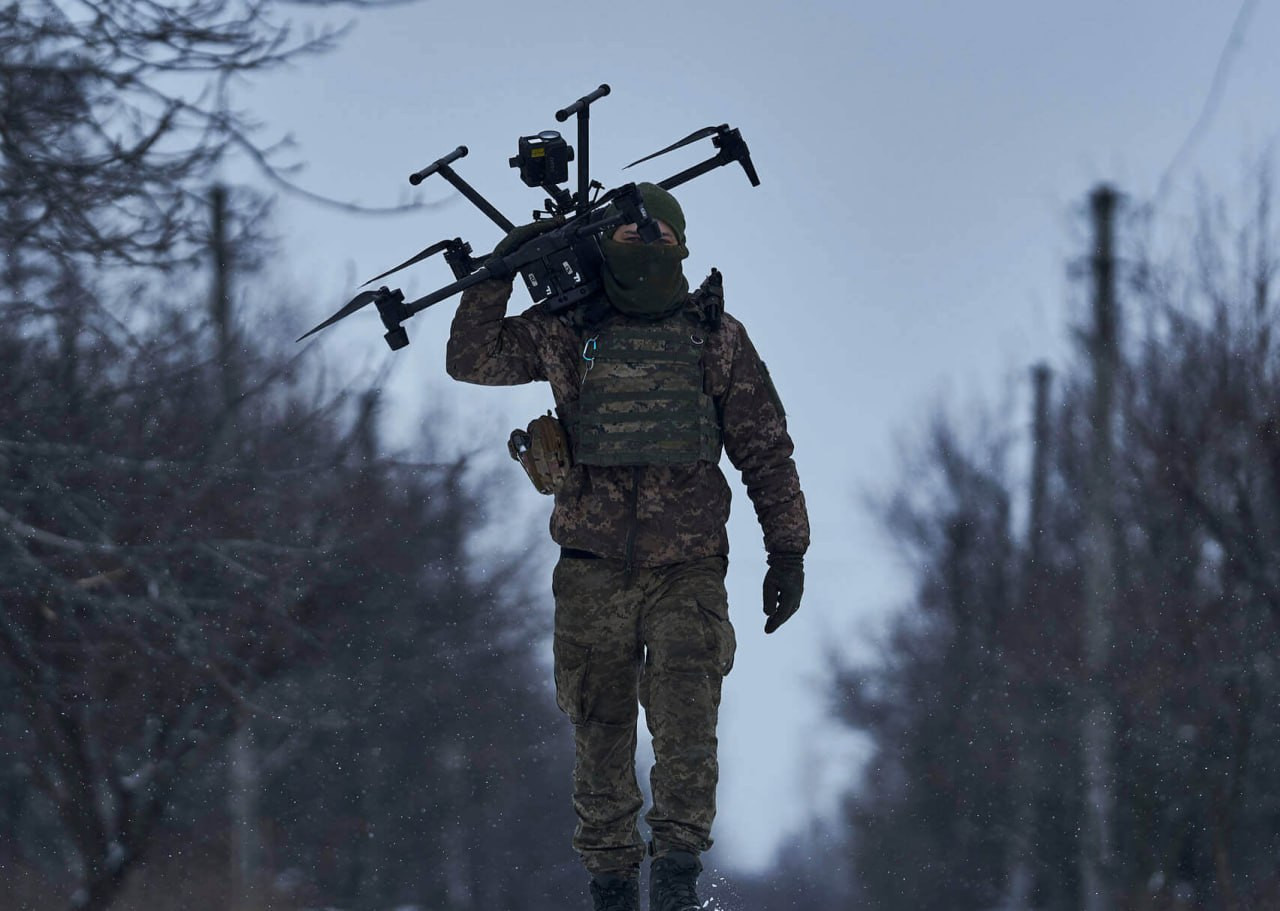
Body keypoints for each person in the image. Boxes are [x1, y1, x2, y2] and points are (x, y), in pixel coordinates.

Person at [445, 183, 808, 911]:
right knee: (599, 726)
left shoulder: (716, 337)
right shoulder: (564, 328)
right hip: (592, 566)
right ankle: (612, 886)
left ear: (682, 246)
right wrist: (496, 275)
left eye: (658, 239)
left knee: (685, 722)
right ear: (607, 243)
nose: (644, 251)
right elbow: (471, 358)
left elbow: (765, 449)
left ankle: (675, 881)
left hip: (689, 567)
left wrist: (787, 550)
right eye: (631, 239)